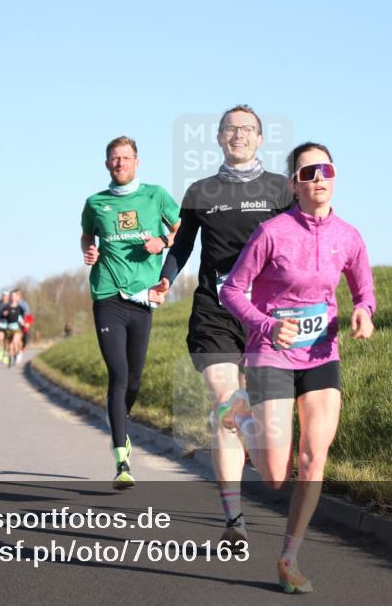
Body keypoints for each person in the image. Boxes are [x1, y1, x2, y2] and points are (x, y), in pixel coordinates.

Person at [220, 142, 375, 594]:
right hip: (270, 353)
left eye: (325, 169)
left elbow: (364, 291)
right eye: (308, 173)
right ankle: (238, 415)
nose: (318, 178)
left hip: (322, 354)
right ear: (294, 184)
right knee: (273, 474)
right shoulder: (271, 232)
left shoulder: (349, 236)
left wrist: (364, 311)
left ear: (334, 176)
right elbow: (233, 290)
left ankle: (289, 557)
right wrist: (266, 325)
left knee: (314, 457)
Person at [152, 105, 292, 550]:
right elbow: (182, 248)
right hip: (215, 311)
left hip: (269, 315)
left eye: (248, 130)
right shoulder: (201, 191)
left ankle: (262, 451)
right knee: (228, 405)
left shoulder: (281, 190)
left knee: (262, 414)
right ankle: (234, 521)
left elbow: (302, 241)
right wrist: (164, 279)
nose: (239, 135)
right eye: (231, 129)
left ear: (261, 139)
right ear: (218, 138)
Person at [81, 135, 180, 489]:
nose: (119, 163)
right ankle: (121, 457)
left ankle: (121, 421)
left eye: (125, 157)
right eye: (114, 158)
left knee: (135, 379)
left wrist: (163, 242)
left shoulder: (156, 196)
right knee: (119, 374)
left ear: (137, 162)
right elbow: (86, 236)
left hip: (143, 297)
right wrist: (89, 251)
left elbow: (181, 231)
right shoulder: (96, 203)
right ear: (107, 164)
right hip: (107, 295)